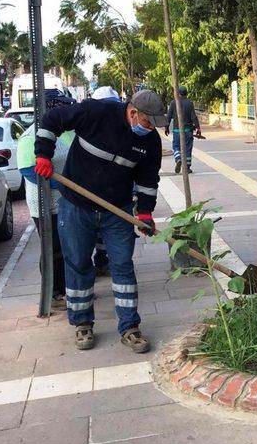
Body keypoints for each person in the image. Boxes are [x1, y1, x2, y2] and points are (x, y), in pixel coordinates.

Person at [34, 89, 165, 353]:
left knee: (122, 264)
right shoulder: (96, 113)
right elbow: (52, 121)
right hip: (76, 206)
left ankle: (129, 327)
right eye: (148, 123)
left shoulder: (150, 141)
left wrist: (145, 213)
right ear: (132, 112)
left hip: (116, 210)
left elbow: (148, 180)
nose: (151, 129)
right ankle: (82, 324)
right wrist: (43, 154)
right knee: (79, 264)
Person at [17, 89, 76, 310]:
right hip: (45, 204)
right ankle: (53, 292)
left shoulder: (67, 132)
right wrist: (61, 184)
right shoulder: (30, 136)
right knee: (53, 248)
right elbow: (28, 171)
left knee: (70, 245)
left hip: (69, 201)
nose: (66, 109)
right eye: (61, 105)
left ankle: (71, 288)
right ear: (49, 107)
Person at [90, 85, 122, 276]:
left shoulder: (122, 128)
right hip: (91, 193)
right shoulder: (87, 128)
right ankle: (99, 261)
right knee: (94, 231)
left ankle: (105, 260)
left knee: (111, 232)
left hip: (115, 193)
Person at [166, 86, 200, 174]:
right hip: (188, 130)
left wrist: (166, 127)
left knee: (176, 146)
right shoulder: (190, 103)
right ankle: (187, 167)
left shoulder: (173, 103)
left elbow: (169, 116)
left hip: (177, 130)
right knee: (188, 148)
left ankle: (178, 159)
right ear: (186, 93)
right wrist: (198, 128)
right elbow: (193, 116)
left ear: (178, 93)